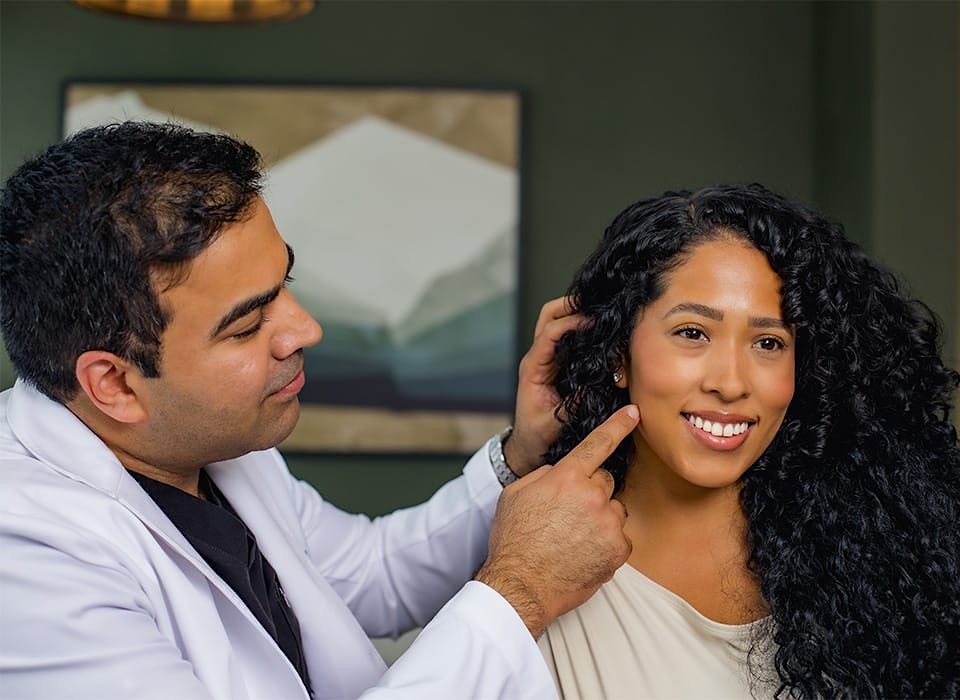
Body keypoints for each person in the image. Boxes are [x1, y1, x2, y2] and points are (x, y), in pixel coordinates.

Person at [0, 121, 638, 700]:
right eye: (249, 325)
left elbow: (369, 577)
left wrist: (519, 454)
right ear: (112, 384)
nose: (304, 330)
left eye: (286, 285)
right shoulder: (25, 563)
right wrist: (518, 593)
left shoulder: (208, 450)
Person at [537, 184, 960, 699]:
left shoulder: (874, 567)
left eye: (768, 343)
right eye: (693, 333)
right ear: (617, 355)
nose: (731, 382)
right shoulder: (537, 575)